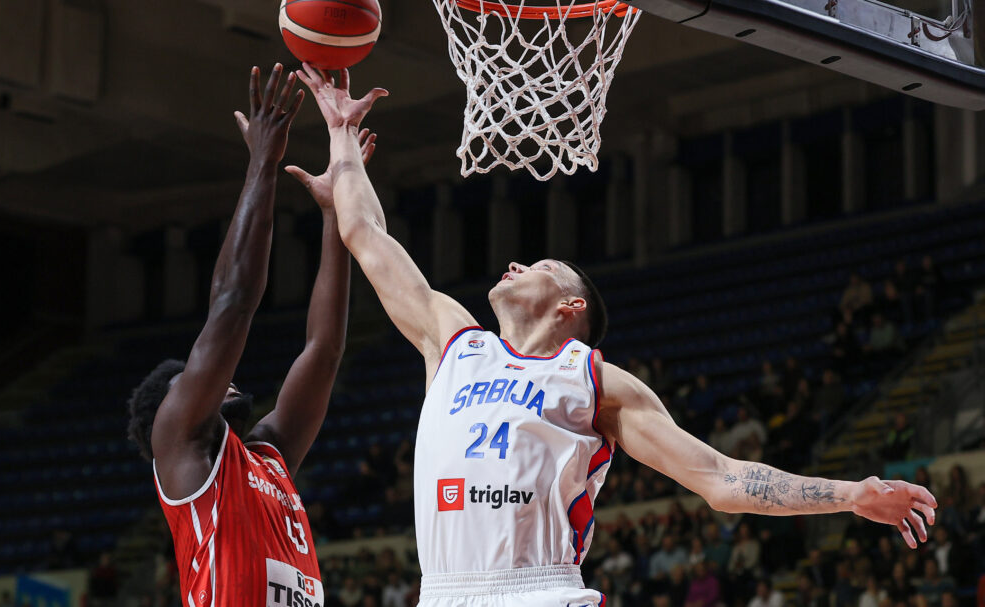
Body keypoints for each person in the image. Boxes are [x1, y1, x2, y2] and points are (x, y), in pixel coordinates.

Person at [293, 63, 938, 607]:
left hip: (540, 591)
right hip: (441, 592)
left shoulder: (594, 380)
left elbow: (720, 478)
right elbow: (365, 235)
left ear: (570, 306)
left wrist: (851, 495)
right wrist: (342, 134)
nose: (515, 264)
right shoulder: (455, 341)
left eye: (539, 265)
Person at [126, 65, 374, 607]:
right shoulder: (182, 444)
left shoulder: (267, 456)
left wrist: (333, 217)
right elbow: (233, 304)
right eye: (189, 380)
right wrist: (263, 162)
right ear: (176, 406)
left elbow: (324, 351)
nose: (223, 377)